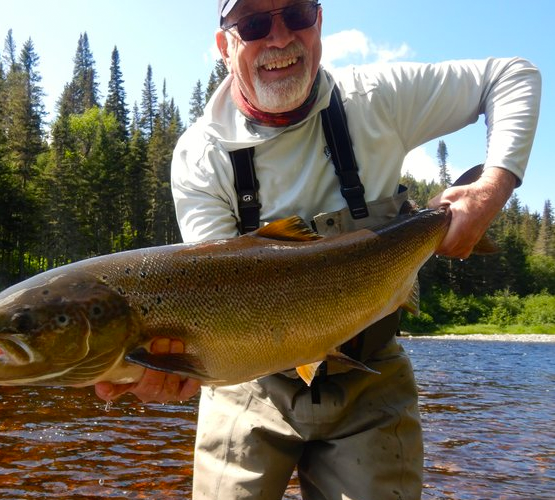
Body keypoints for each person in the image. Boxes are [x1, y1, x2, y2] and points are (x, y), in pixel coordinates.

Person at [96, 0, 542, 498]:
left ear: (320, 21)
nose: (280, 37)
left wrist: (492, 188)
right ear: (225, 46)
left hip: (371, 374)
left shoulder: (375, 99)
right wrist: (178, 368)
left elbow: (513, 75)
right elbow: (216, 296)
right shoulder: (201, 157)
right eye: (255, 23)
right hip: (252, 384)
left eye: (297, 14)